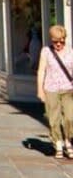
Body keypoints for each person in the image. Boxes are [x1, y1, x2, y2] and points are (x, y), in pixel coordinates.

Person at [37, 24, 73, 159]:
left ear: (65, 38)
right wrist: (40, 90)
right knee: (54, 118)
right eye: (55, 41)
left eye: (61, 40)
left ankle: (68, 141)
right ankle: (58, 144)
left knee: (70, 118)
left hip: (68, 88)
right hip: (51, 88)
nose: (58, 44)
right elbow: (41, 71)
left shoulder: (70, 51)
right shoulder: (46, 51)